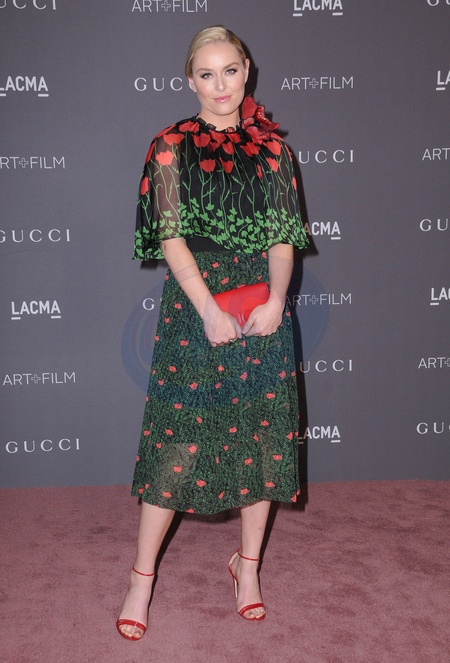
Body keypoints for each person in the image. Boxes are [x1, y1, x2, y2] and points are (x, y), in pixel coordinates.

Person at [117, 25, 309, 641]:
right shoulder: (170, 144)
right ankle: (141, 578)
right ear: (190, 79)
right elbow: (171, 237)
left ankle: (246, 568)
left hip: (262, 305)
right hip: (197, 303)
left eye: (230, 70)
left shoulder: (273, 150)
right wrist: (206, 308)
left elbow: (283, 237)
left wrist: (278, 298)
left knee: (263, 437)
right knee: (176, 439)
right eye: (207, 73)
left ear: (247, 70)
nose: (220, 85)